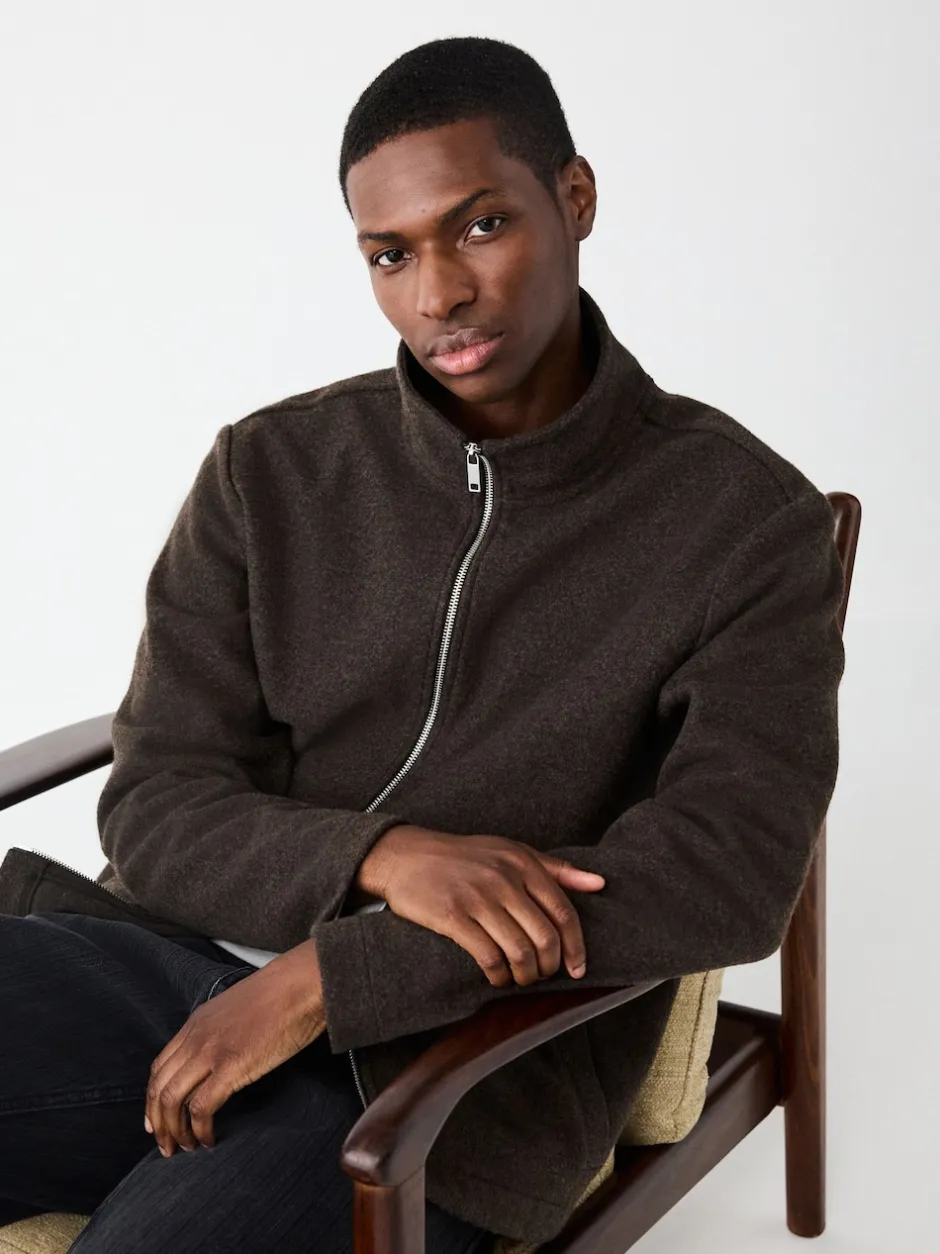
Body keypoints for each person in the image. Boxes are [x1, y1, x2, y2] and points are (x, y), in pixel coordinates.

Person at [0, 34, 845, 1254]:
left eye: (481, 226)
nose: (436, 294)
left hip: (443, 1077)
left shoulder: (743, 524)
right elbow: (155, 801)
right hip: (159, 974)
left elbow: (726, 871)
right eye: (390, 254)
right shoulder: (269, 472)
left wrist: (334, 976)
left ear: (574, 198)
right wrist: (386, 858)